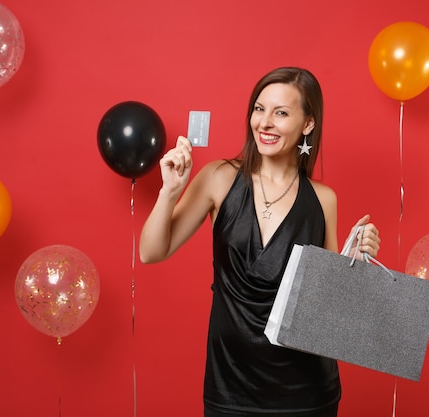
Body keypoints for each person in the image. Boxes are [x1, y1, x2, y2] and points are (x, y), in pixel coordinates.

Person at [139, 67, 381, 417]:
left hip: (307, 391)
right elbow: (151, 252)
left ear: (308, 124)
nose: (264, 122)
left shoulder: (323, 198)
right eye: (259, 108)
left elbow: (328, 310)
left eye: (281, 113)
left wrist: (353, 261)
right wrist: (169, 192)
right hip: (230, 386)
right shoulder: (218, 178)